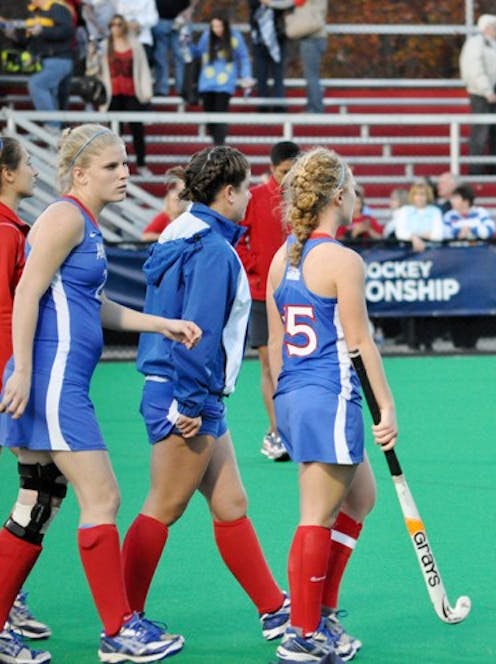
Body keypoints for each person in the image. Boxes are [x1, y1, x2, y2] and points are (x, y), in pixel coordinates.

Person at [0, 124, 197, 664]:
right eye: (112, 166)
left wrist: (163, 323)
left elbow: (97, 306)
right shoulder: (64, 216)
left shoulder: (85, 224)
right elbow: (27, 293)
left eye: (125, 163)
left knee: (40, 500)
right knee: (103, 498)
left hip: (60, 381)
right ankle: (119, 631)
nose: (125, 173)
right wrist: (21, 372)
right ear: (81, 173)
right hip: (54, 381)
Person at [121, 145, 290, 645]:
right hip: (186, 394)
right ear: (230, 192)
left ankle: (274, 608)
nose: (252, 197)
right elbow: (196, 331)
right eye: (248, 188)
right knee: (164, 506)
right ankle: (123, 621)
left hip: (185, 390)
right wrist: (193, 403)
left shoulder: (181, 231)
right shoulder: (213, 249)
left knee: (231, 502)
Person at [265, 147, 397, 663]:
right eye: (355, 186)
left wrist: (284, 404)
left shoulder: (283, 258)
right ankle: (304, 630)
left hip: (295, 395)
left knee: (360, 498)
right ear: (338, 196)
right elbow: (360, 343)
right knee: (316, 516)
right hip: (330, 395)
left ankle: (322, 609)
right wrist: (385, 407)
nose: (358, 195)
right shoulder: (343, 260)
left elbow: (276, 346)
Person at [0, 135, 53, 659]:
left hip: (12, 376)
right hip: (8, 379)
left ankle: (8, 598)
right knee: (38, 491)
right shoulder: (4, 232)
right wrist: (17, 373)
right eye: (29, 163)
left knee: (42, 489)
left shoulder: (15, 229)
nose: (35, 170)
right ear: (6, 174)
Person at [237, 139, 300, 462]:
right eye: (285, 171)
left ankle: (297, 428)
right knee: (268, 362)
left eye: (295, 171)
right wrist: (253, 272)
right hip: (262, 293)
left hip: (299, 291)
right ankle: (277, 432)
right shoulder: (256, 198)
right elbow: (237, 237)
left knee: (297, 361)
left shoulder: (305, 200)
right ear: (272, 169)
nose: (290, 178)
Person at [3, 1, 77, 132]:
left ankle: (52, 126)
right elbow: (28, 40)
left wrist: (43, 31)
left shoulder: (57, 8)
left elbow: (67, 31)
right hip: (41, 61)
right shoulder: (34, 12)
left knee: (37, 84)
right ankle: (58, 134)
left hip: (59, 58)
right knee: (52, 97)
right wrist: (14, 35)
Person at [95, 14, 153, 173]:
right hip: (112, 93)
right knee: (114, 134)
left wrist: (147, 90)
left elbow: (143, 70)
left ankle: (141, 164)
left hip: (132, 92)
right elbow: (96, 69)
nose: (116, 27)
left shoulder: (135, 45)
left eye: (119, 24)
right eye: (113, 24)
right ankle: (115, 165)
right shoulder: (105, 45)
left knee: (137, 130)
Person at [459, 14, 496, 175]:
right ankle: (476, 170)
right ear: (487, 27)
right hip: (482, 94)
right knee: (480, 132)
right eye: (495, 27)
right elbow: (474, 70)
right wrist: (487, 90)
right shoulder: (475, 44)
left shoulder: (495, 45)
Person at [193, 14, 253, 145]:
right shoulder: (206, 36)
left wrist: (246, 76)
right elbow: (197, 53)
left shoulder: (235, 37)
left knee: (220, 115)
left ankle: (219, 147)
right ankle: (216, 145)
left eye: (219, 26)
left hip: (225, 84)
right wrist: (185, 42)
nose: (217, 29)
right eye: (214, 26)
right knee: (209, 118)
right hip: (206, 83)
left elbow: (244, 58)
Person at [248, 0, 292, 113]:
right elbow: (252, 7)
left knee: (278, 74)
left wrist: (271, 3)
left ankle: (279, 105)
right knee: (261, 74)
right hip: (259, 40)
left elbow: (286, 6)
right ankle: (263, 105)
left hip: (277, 39)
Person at [151, 0, 196, 96]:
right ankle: (161, 89)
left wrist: (190, 9)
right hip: (159, 19)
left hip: (183, 21)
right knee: (160, 56)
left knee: (182, 55)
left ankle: (183, 88)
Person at [289, 0, 327, 114]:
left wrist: (270, 3)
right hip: (318, 37)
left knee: (311, 76)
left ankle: (315, 108)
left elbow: (295, 2)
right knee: (312, 75)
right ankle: (313, 105)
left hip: (311, 38)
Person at [393, 180, 444, 252]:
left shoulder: (435, 211)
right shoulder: (404, 210)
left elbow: (438, 235)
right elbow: (400, 233)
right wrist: (414, 238)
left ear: (428, 196)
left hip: (432, 251)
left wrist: (416, 237)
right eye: (416, 194)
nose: (419, 197)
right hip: (407, 250)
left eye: (422, 194)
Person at [141, 166, 185, 241]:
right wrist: (166, 237)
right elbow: (145, 236)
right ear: (168, 202)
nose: (178, 203)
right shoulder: (163, 217)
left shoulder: (186, 217)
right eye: (174, 200)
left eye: (180, 200)